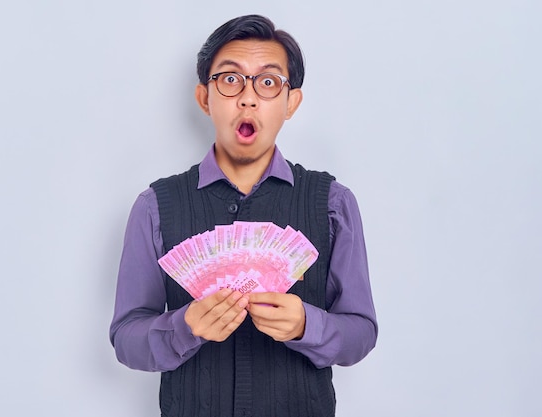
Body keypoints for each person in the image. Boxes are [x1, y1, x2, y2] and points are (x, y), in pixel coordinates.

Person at [110, 14, 378, 417]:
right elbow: (126, 337)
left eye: (268, 82)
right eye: (230, 79)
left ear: (291, 103)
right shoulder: (153, 207)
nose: (248, 98)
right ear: (205, 98)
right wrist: (184, 327)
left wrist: (309, 325)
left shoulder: (333, 204)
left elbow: (361, 332)